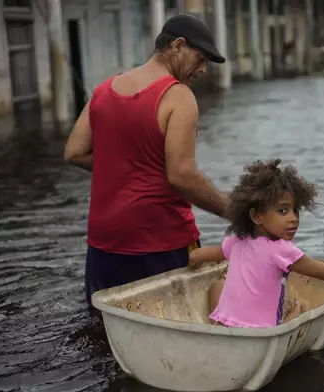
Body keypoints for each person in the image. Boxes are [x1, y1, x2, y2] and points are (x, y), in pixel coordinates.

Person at [62, 14, 231, 306]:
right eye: (200, 58)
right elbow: (182, 175)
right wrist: (232, 211)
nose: (203, 69)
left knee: (107, 331)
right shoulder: (178, 96)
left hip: (104, 243)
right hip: (159, 241)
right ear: (177, 46)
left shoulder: (104, 90)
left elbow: (74, 152)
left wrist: (126, 164)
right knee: (174, 328)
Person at [188, 159, 324, 328]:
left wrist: (191, 261)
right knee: (299, 310)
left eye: (296, 210)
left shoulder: (236, 241)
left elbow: (196, 256)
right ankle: (293, 313)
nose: (293, 218)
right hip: (261, 334)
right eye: (283, 211)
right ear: (256, 216)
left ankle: (217, 324)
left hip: (226, 328)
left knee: (217, 284)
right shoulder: (282, 251)